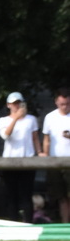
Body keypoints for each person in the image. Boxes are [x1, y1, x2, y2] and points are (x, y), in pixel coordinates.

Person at [0, 91, 40, 221]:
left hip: (28, 160)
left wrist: (40, 152)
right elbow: (6, 135)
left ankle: (28, 222)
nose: (16, 106)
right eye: (13, 103)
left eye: (18, 103)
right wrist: (15, 118)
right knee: (11, 195)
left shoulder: (31, 119)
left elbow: (35, 138)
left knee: (26, 195)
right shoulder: (3, 120)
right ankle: (13, 223)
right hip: (9, 161)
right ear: (8, 105)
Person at [41, 89, 70, 223]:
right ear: (56, 103)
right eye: (62, 104)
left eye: (67, 104)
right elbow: (46, 139)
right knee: (61, 196)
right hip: (55, 162)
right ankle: (65, 224)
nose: (65, 107)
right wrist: (45, 155)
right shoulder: (50, 117)